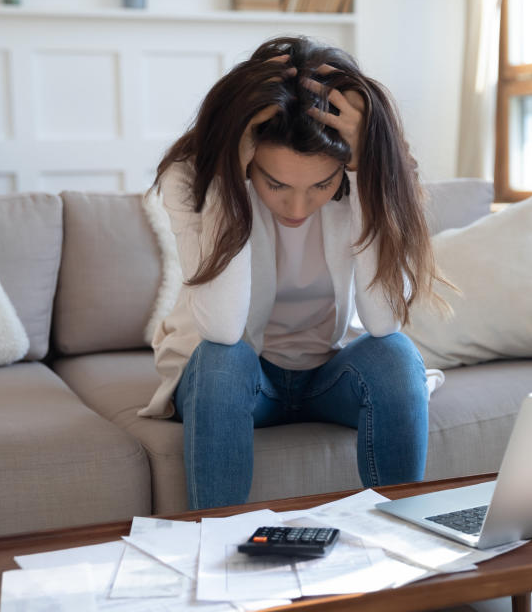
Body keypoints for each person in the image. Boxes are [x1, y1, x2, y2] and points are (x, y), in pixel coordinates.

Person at [143, 35, 449, 509]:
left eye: (322, 184)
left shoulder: (371, 173)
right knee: (224, 361)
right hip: (241, 376)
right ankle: (215, 547)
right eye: (275, 183)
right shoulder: (192, 178)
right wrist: (229, 178)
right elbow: (223, 331)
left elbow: (383, 322)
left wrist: (367, 175)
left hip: (328, 372)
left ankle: (402, 544)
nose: (298, 206)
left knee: (396, 355)